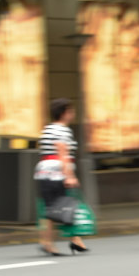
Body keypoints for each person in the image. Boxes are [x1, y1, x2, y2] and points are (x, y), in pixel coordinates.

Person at [34, 98, 89, 256]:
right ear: (64, 113)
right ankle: (50, 242)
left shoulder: (48, 129)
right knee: (61, 207)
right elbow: (63, 153)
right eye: (71, 111)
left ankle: (73, 240)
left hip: (43, 172)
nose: (72, 114)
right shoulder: (62, 130)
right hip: (56, 173)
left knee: (56, 207)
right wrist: (69, 176)